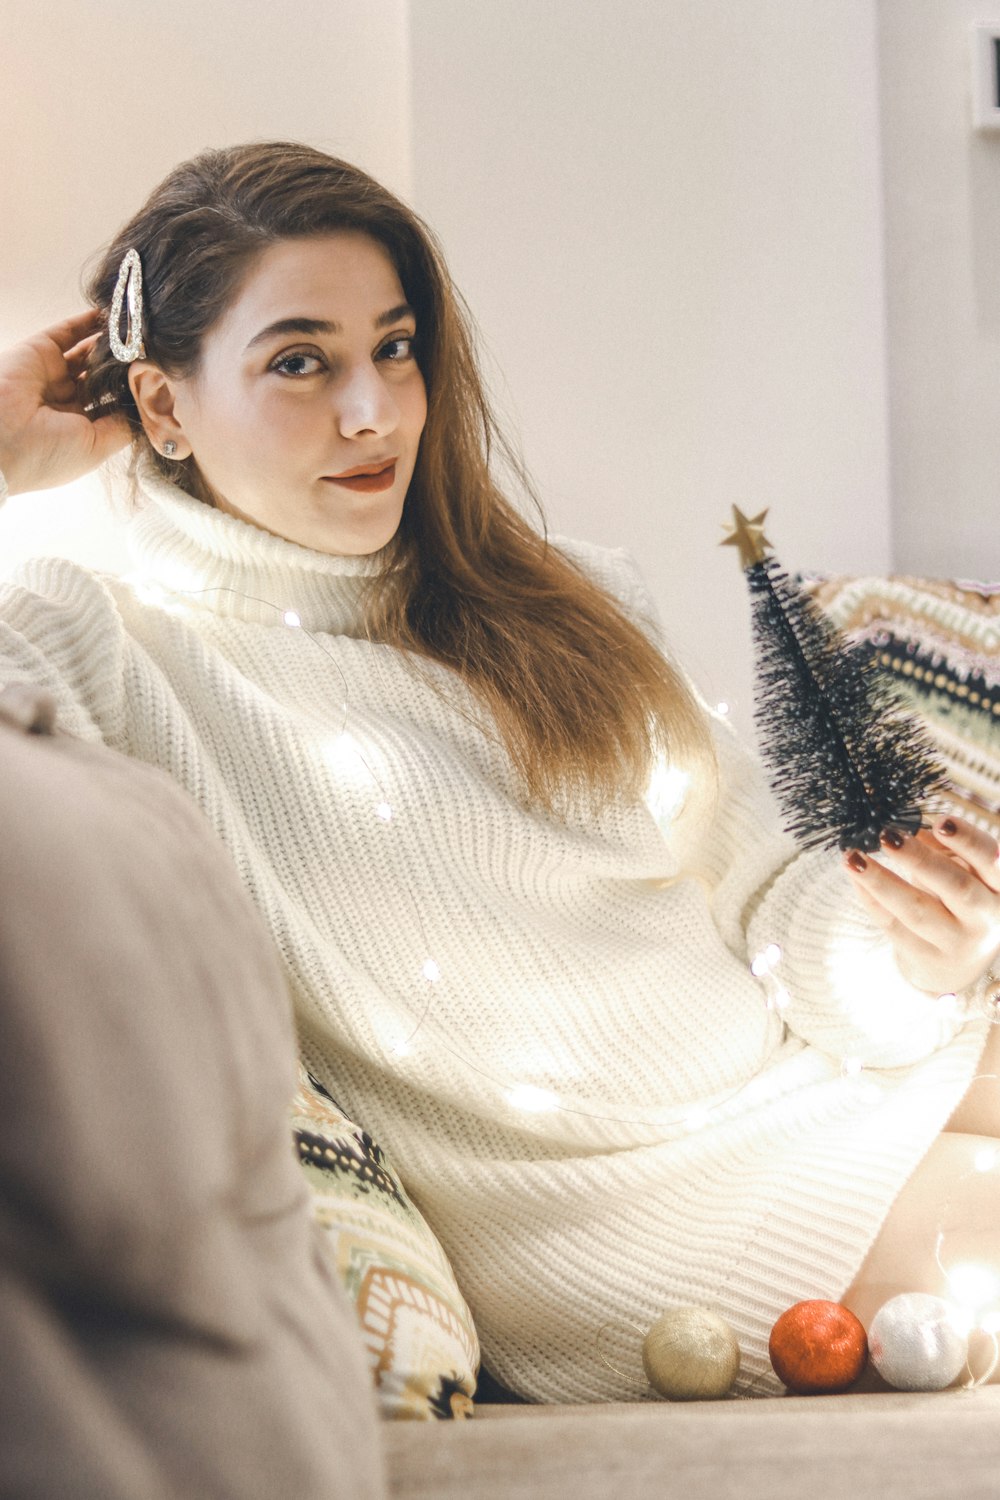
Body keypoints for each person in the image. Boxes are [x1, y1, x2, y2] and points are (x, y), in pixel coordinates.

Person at [1, 140, 999, 1402]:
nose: (373, 412)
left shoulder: (559, 598)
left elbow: (762, 897)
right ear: (160, 407)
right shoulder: (99, 642)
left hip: (825, 1084)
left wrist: (908, 959)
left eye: (396, 347)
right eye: (299, 361)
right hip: (656, 1234)